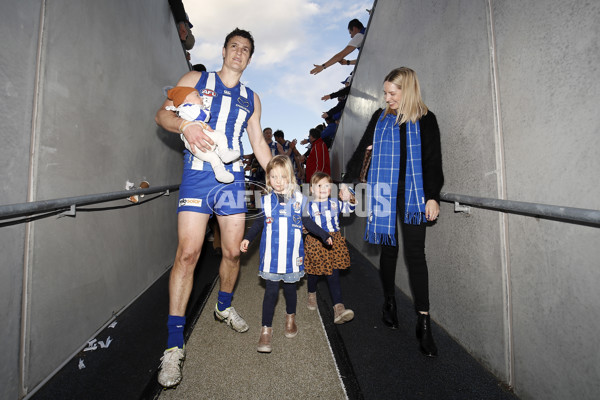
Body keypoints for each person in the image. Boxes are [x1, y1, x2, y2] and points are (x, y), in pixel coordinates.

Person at [154, 28, 272, 388]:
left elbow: (258, 143)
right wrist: (186, 125)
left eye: (246, 49)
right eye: (234, 46)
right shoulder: (196, 78)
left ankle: (223, 306)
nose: (239, 52)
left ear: (249, 59)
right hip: (197, 177)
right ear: (223, 51)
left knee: (233, 253)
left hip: (232, 180)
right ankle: (174, 346)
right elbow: (162, 114)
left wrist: (281, 177)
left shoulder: (252, 98)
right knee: (188, 255)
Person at [343, 67, 444, 357]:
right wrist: (349, 183)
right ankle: (389, 302)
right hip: (384, 192)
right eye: (385, 92)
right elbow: (364, 151)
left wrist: (433, 196)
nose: (387, 98)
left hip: (413, 194)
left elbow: (433, 162)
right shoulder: (381, 118)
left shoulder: (426, 120)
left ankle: (423, 321)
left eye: (392, 93)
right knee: (389, 250)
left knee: (416, 255)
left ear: (408, 90)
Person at [240, 156, 332, 353]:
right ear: (268, 179)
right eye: (274, 176)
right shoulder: (265, 201)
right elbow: (258, 224)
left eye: (282, 176)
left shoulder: (300, 200)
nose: (278, 181)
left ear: (290, 177)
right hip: (272, 258)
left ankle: (290, 318)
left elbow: (309, 223)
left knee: (290, 290)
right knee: (271, 292)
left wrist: (324, 235)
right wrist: (248, 238)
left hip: (292, 258)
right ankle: (266, 329)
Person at [304, 172, 355, 324]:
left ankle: (338, 308)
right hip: (315, 242)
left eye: (327, 185)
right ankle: (311, 293)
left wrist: (350, 198)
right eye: (319, 185)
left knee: (333, 274)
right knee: (314, 273)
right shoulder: (309, 206)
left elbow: (349, 209)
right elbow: (305, 224)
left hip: (334, 241)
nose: (323, 188)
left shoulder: (335, 203)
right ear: (312, 189)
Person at [164, 86, 240, 183]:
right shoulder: (186, 109)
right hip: (198, 139)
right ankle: (224, 152)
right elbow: (201, 116)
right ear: (185, 99)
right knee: (220, 136)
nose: (201, 98)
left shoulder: (188, 109)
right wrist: (205, 108)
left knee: (213, 157)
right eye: (197, 96)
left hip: (199, 144)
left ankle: (220, 171)